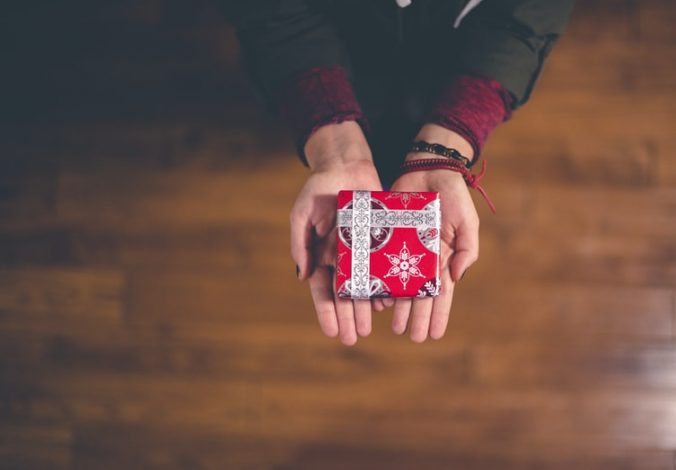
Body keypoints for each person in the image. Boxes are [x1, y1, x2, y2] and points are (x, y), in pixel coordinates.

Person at [218, 0, 574, 345]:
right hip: (327, 49)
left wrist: (452, 134)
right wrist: (332, 139)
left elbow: (529, 15)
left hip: (453, 59)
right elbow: (269, 10)